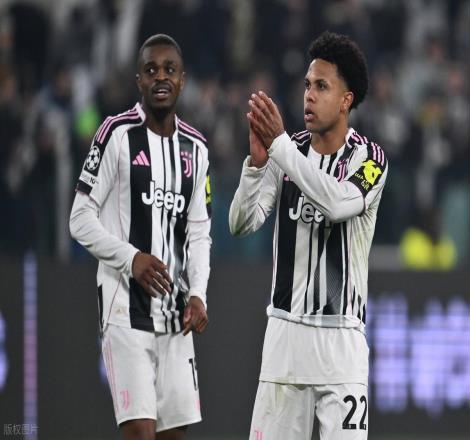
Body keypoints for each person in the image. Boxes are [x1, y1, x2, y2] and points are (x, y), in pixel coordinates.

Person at [229, 31, 388, 440]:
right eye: (306, 85)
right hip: (285, 339)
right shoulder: (287, 151)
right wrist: (255, 167)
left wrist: (279, 148)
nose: (309, 96)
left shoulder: (370, 159)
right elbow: (242, 223)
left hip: (342, 343)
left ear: (346, 100)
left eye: (321, 86)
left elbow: (337, 203)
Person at [70, 34, 212, 440]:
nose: (160, 77)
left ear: (182, 80)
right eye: (151, 70)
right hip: (124, 313)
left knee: (173, 436)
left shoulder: (197, 148)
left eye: (169, 70)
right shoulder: (115, 134)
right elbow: (79, 218)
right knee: (139, 432)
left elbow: (199, 231)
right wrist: (131, 258)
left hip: (176, 318)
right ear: (139, 80)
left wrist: (198, 293)